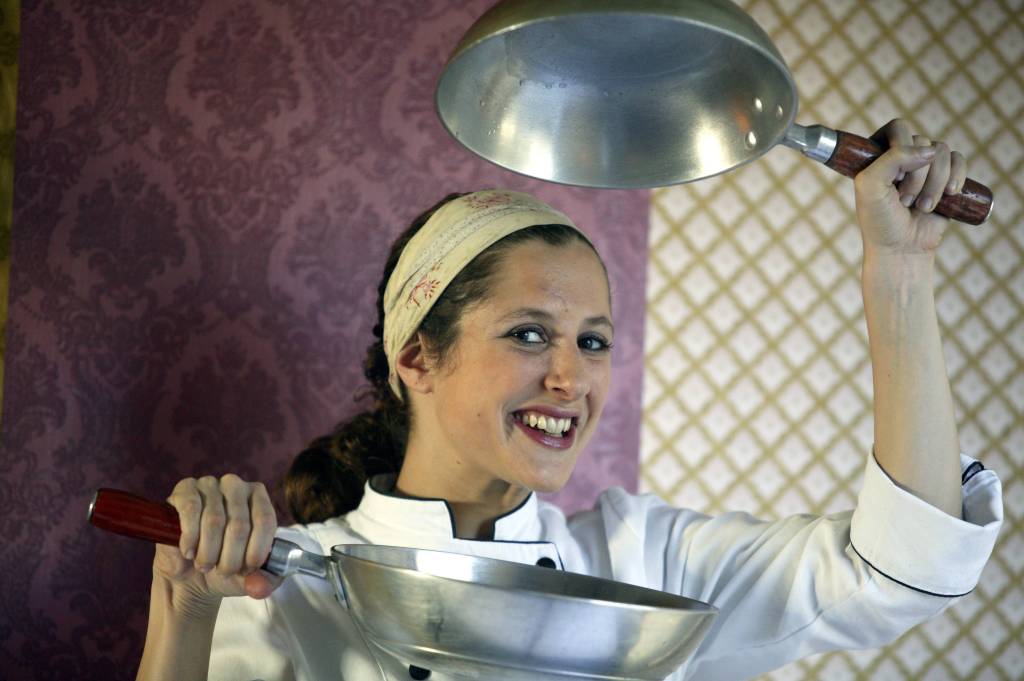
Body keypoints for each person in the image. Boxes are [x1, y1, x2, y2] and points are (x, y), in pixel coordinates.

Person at [136, 120, 1003, 681]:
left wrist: (901, 270)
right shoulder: (273, 580)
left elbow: (903, 568)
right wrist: (186, 602)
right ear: (416, 356)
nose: (571, 378)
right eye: (528, 333)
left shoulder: (644, 566)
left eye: (593, 340)